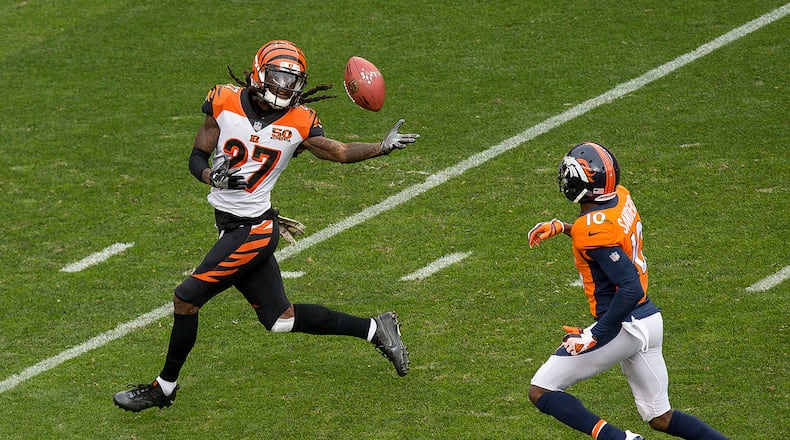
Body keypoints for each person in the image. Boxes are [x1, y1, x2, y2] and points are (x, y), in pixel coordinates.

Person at [114, 40, 418, 412]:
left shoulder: (299, 121)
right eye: (278, 78)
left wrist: (379, 147)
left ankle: (163, 388)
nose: (284, 88)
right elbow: (197, 157)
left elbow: (338, 151)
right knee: (279, 319)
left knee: (186, 298)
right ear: (259, 73)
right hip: (232, 226)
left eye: (292, 81)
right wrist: (213, 176)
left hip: (254, 230)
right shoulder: (223, 100)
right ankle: (376, 328)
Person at [526, 142, 728, 440]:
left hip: (626, 326)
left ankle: (619, 439)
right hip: (649, 321)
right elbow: (605, 240)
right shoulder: (619, 197)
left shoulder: (593, 231)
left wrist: (593, 335)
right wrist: (565, 227)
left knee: (541, 389)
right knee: (661, 417)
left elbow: (629, 287)